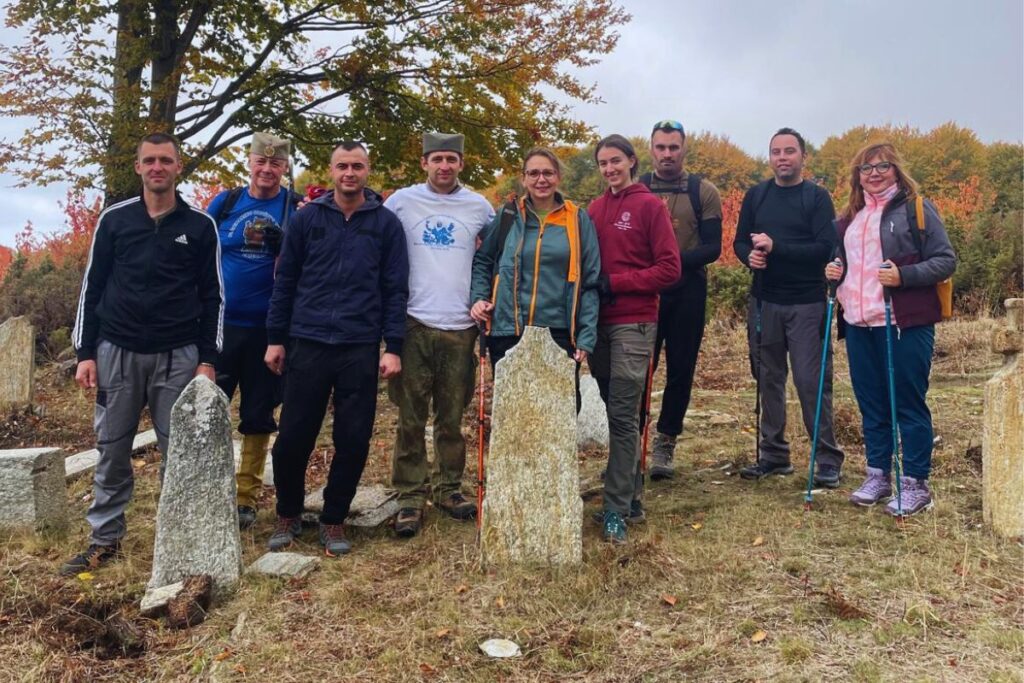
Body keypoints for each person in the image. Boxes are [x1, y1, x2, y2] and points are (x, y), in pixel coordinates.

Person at [62, 132, 224, 575]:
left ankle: (182, 544)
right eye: (149, 160)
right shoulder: (115, 221)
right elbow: (91, 287)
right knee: (112, 449)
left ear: (178, 167)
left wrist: (208, 360)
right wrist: (86, 353)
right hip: (117, 351)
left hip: (179, 355)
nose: (157, 167)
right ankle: (105, 540)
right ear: (138, 167)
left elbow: (213, 297)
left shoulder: (199, 226)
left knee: (181, 453)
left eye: (165, 160)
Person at [264, 141, 408, 557]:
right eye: (342, 166)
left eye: (357, 166)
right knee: (292, 437)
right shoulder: (307, 219)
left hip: (359, 346)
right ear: (330, 171)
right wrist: (276, 338)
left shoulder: (385, 224)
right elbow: (285, 281)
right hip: (306, 342)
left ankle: (333, 519)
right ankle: (288, 513)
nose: (350, 173)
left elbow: (395, 289)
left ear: (368, 170)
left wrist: (392, 346)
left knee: (354, 437)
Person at [826, 142, 955, 516]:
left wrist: (904, 275)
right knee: (872, 404)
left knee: (908, 402)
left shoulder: (916, 208)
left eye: (882, 166)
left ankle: (916, 483)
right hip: (858, 322)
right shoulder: (850, 217)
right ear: (857, 177)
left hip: (904, 322)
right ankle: (878, 475)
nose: (874, 173)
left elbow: (945, 260)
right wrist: (834, 270)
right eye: (866, 169)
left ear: (896, 170)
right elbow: (844, 261)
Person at [383, 132, 494, 538]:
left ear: (461, 163)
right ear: (424, 163)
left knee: (451, 416)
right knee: (410, 417)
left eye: (451, 159)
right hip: (413, 321)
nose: (444, 166)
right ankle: (410, 496)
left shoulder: (479, 206)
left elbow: (497, 252)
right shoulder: (401, 202)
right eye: (437, 159)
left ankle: (449, 488)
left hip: (460, 325)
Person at [733, 127, 845, 487]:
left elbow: (824, 249)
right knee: (768, 379)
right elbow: (738, 242)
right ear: (770, 158)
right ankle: (774, 455)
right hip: (765, 301)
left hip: (807, 303)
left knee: (811, 381)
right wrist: (749, 257)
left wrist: (776, 247)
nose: (782, 158)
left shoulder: (816, 198)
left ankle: (826, 458)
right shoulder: (756, 196)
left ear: (802, 157)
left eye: (789, 151)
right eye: (776, 152)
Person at [588, 135, 680, 543]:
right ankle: (632, 495)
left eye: (616, 161)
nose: (610, 169)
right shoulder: (593, 209)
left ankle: (614, 510)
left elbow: (670, 269)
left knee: (624, 417)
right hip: (598, 326)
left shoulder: (649, 207)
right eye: (603, 163)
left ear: (631, 161)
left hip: (635, 324)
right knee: (614, 413)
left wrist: (618, 283)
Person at [207, 132, 301, 529]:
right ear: (249, 162)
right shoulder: (225, 203)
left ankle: (245, 496)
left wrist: (289, 245)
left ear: (284, 168)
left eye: (275, 164)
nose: (266, 170)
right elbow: (199, 252)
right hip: (222, 326)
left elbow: (310, 262)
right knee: (211, 409)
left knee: (259, 413)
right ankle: (209, 490)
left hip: (270, 329)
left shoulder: (295, 208)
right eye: (260, 162)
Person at [470, 147, 601, 401]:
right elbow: (483, 260)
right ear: (524, 178)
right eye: (534, 173)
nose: (541, 180)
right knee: (513, 411)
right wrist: (478, 298)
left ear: (558, 177)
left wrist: (586, 336)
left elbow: (590, 280)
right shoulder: (508, 215)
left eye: (548, 173)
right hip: (508, 330)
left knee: (560, 412)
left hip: (559, 332)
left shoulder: (577, 219)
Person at [640, 120, 723, 479]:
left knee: (681, 368)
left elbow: (712, 247)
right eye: (661, 147)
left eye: (673, 147)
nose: (667, 154)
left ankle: (665, 442)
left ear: (684, 149)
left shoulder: (703, 190)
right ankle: (632, 440)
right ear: (651, 149)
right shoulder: (638, 188)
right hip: (644, 291)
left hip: (688, 289)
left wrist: (669, 265)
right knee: (638, 369)